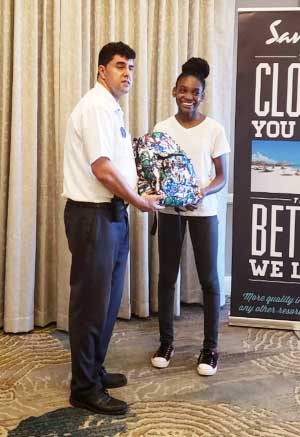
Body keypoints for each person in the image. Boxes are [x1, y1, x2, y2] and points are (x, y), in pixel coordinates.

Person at [63, 41, 163, 415]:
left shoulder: (112, 109)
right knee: (90, 304)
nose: (127, 73)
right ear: (102, 70)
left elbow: (118, 167)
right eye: (120, 66)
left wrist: (140, 193)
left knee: (105, 302)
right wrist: (139, 202)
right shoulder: (95, 107)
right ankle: (83, 389)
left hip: (112, 215)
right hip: (92, 216)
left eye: (131, 67)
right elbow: (101, 169)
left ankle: (94, 370)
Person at [151, 57, 230, 376]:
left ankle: (210, 348)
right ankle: (165, 343)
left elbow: (222, 177)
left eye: (195, 92)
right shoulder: (161, 129)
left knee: (209, 279)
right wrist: (160, 192)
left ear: (202, 96)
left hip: (203, 212)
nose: (188, 96)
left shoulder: (214, 129)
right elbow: (153, 172)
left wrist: (202, 192)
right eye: (183, 90)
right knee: (167, 277)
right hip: (170, 212)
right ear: (174, 92)